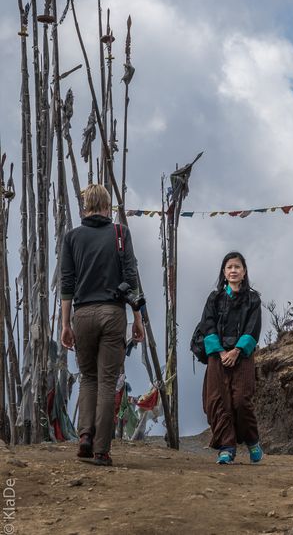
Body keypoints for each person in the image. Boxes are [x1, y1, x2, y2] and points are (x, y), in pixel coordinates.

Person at [59, 184, 145, 466]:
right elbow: (131, 278)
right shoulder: (120, 233)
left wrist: (65, 324)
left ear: (84, 207)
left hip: (82, 314)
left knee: (88, 377)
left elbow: (67, 284)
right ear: (109, 206)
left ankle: (84, 436)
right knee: (107, 381)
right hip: (112, 313)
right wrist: (138, 319)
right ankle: (101, 450)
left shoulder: (72, 238)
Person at [199, 251, 264, 465]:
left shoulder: (253, 299)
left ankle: (252, 439)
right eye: (229, 267)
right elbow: (207, 326)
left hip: (242, 356)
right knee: (219, 401)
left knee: (241, 400)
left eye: (237, 267)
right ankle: (227, 447)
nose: (233, 270)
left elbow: (253, 328)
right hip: (218, 356)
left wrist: (236, 351)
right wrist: (221, 352)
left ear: (244, 272)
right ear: (224, 273)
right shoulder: (215, 298)